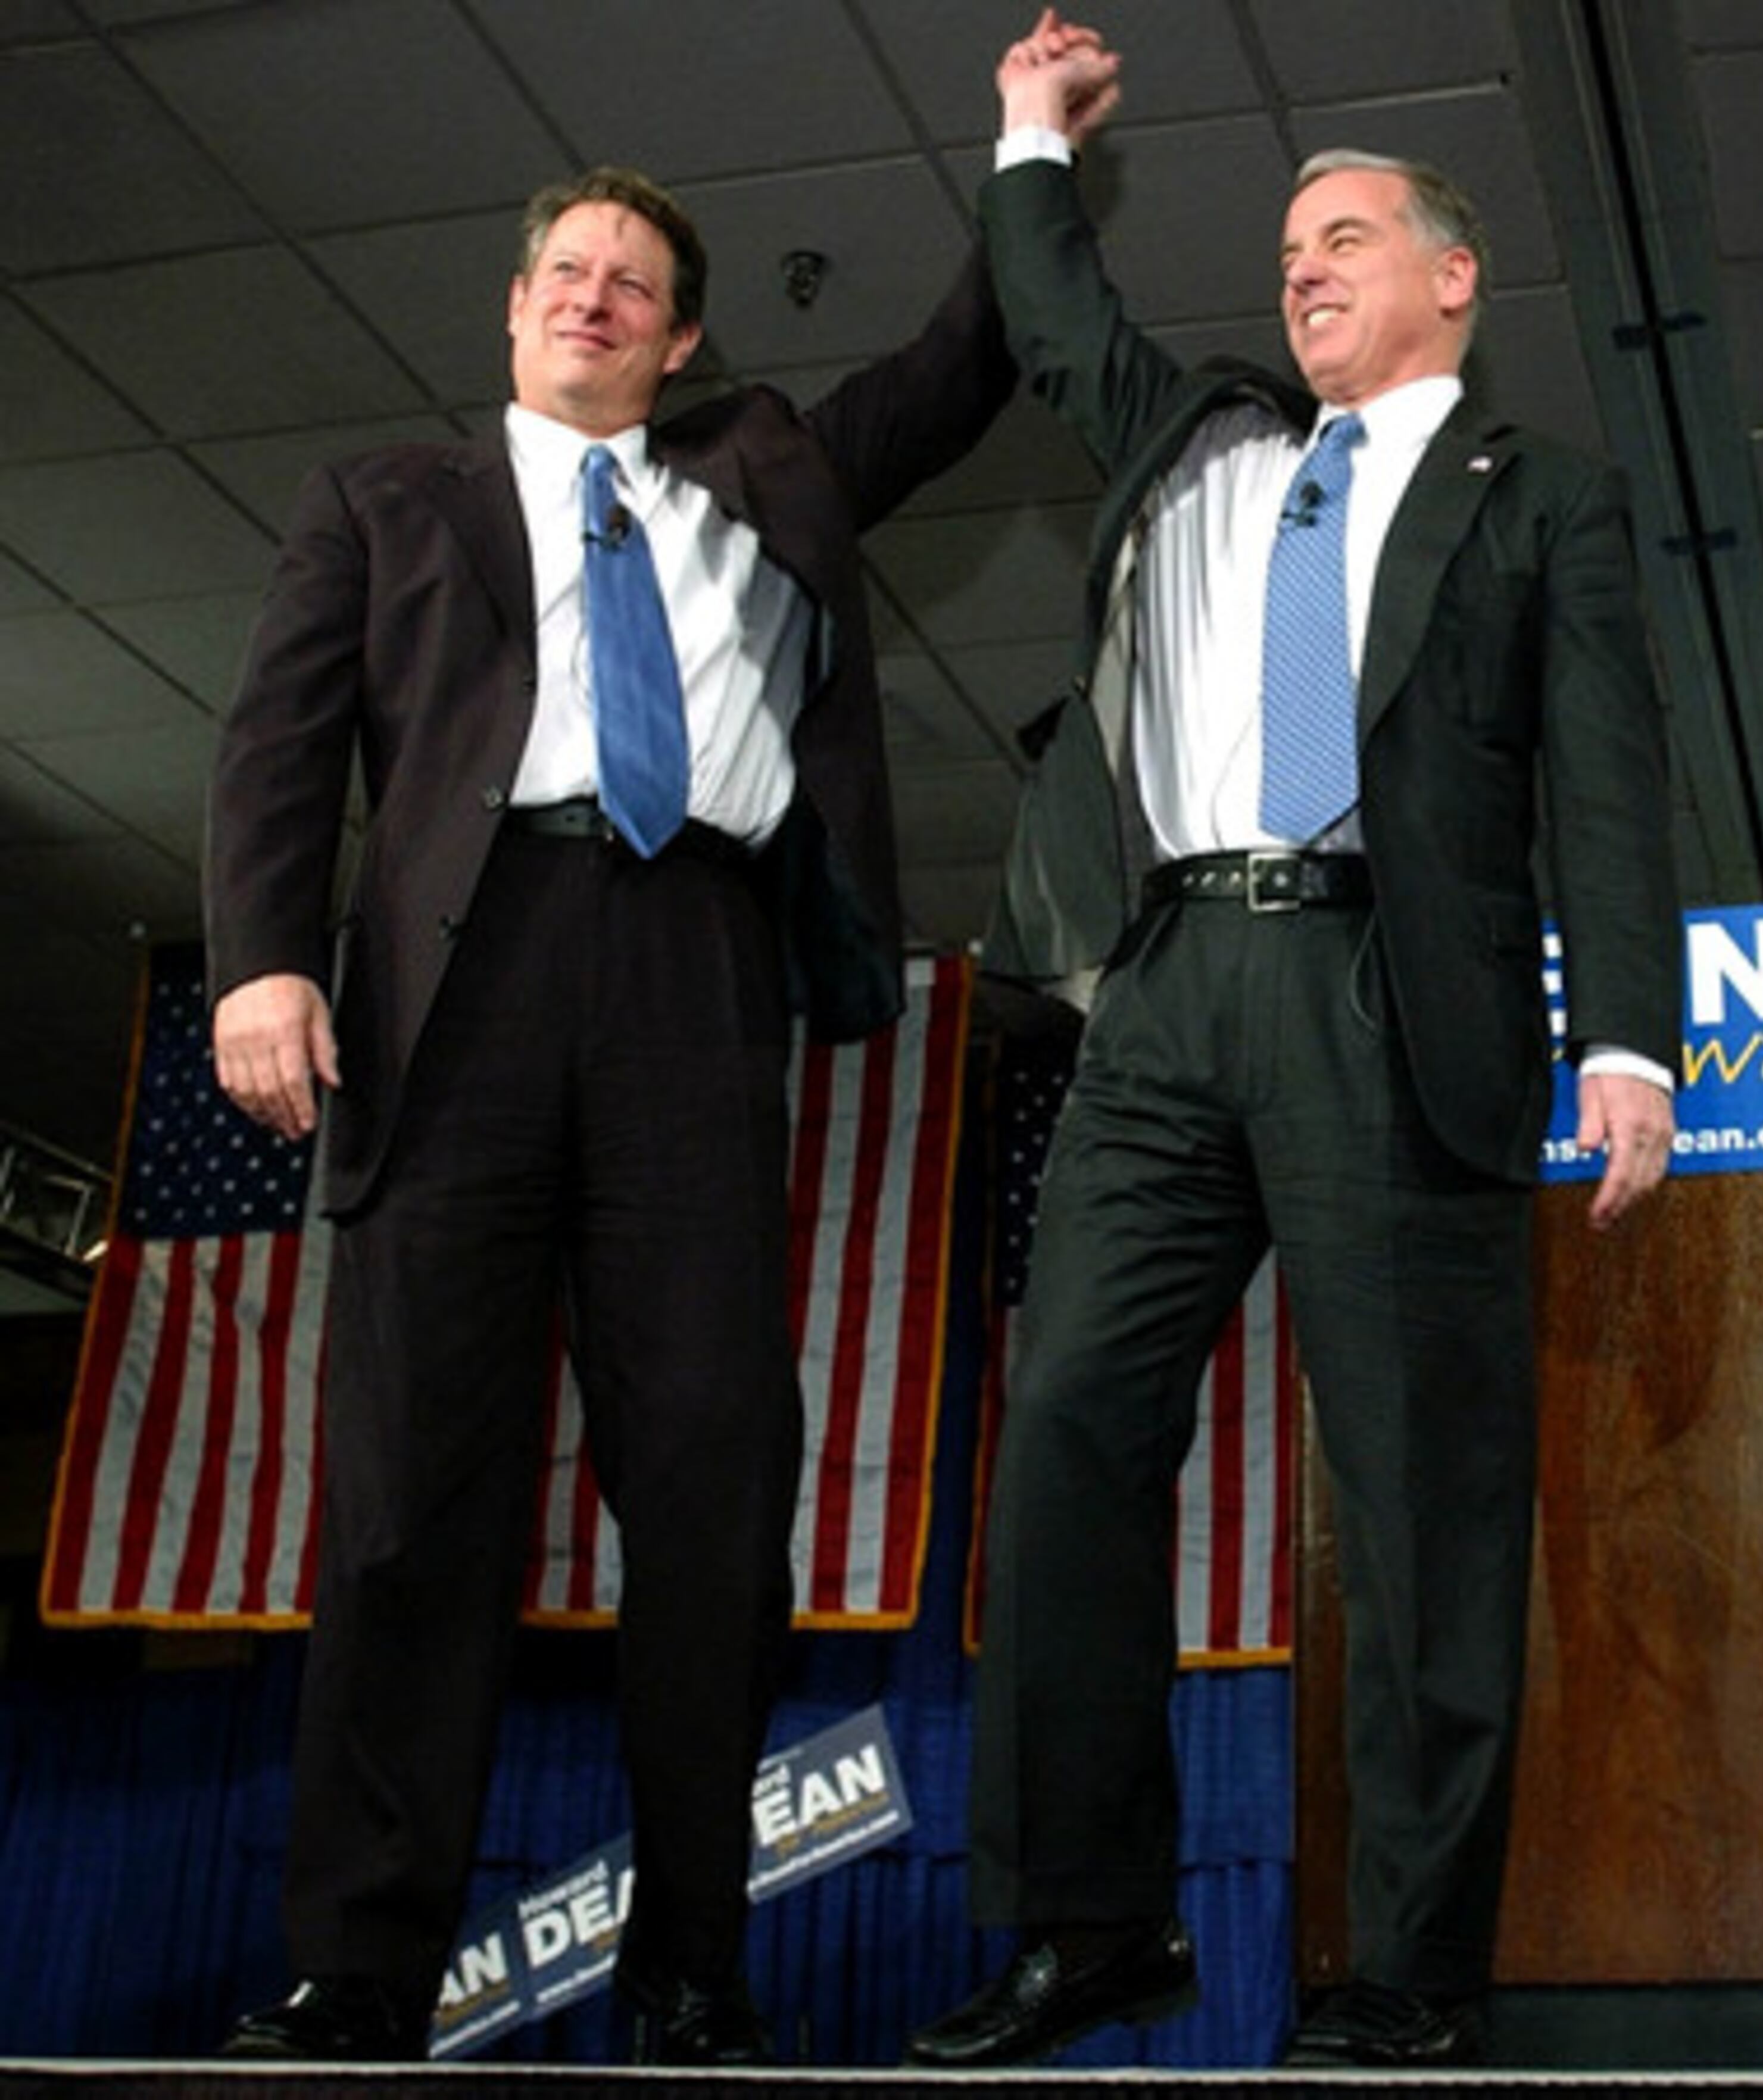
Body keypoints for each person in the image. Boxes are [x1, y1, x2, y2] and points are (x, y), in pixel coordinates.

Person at [904, 10, 1683, 2072]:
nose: (1305, 268)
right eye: (1284, 251)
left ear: (1454, 276)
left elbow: (1606, 784)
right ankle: (1088, 1925)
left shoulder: (1544, 503)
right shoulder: (1205, 448)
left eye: (1345, 236)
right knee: (1068, 1427)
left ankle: (1412, 1969)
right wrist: (1027, 137)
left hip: (1384, 995)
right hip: (1167, 996)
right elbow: (1060, 314)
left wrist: (1627, 1036)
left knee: (1424, 1494)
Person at [204, 163, 1013, 2065]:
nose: (595, 299)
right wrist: (260, 958)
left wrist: (1036, 155)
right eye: (566, 272)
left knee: (716, 1494)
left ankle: (689, 1968)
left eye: (634, 284)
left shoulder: (767, 476)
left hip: (694, 983)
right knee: (410, 1504)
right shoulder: (385, 505)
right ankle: (361, 1976)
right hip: (455, 1001)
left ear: (684, 336)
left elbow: (968, 364)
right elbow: (275, 739)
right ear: (513, 307)